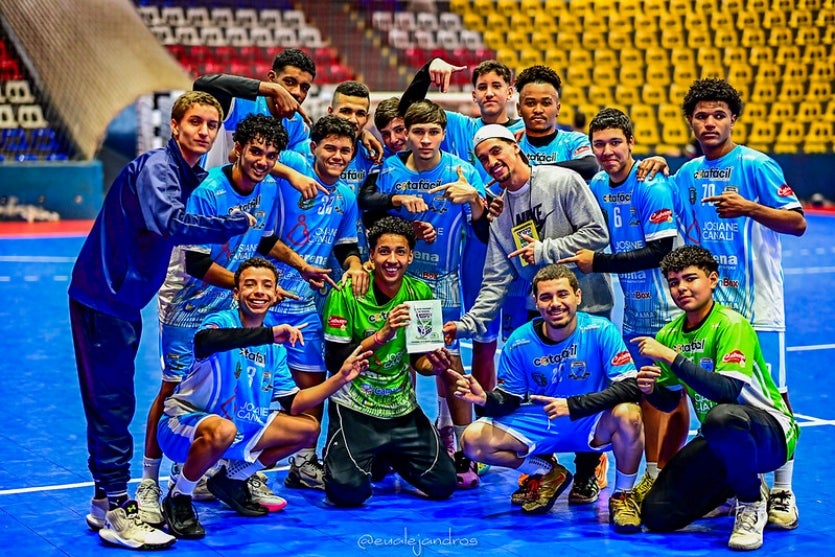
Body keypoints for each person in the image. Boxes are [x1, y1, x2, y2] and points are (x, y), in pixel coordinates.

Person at [69, 91, 254, 550]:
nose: (204, 131)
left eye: (212, 124)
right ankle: (116, 508)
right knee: (112, 405)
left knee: (113, 401)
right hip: (104, 298)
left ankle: (101, 501)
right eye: (195, 121)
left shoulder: (185, 172)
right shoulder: (157, 168)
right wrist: (229, 225)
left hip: (119, 299)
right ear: (175, 125)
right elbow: (169, 222)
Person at [137, 114, 326, 524]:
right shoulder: (208, 192)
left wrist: (300, 265)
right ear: (237, 148)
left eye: (270, 154)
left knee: (240, 385)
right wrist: (251, 287)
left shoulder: (271, 188)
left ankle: (227, 473)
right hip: (190, 303)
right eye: (254, 151)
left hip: (234, 301)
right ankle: (150, 481)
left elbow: (266, 240)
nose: (261, 160)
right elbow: (197, 263)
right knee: (173, 389)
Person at [158, 257, 371, 539]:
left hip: (239, 430)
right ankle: (179, 497)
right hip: (184, 425)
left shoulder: (275, 348)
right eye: (250, 284)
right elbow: (206, 342)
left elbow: (294, 402)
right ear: (236, 293)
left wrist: (340, 378)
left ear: (275, 294)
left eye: (266, 286)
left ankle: (233, 479)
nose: (259, 291)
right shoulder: (221, 321)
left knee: (307, 429)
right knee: (223, 429)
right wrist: (269, 334)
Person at [673, 78, 806, 527]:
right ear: (690, 122)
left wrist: (750, 208)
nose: (709, 123)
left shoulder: (757, 165)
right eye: (701, 116)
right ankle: (737, 486)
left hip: (758, 308)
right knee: (714, 402)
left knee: (774, 396)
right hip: (709, 313)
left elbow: (797, 222)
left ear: (733, 118)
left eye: (718, 115)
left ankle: (783, 491)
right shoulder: (686, 176)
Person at [449, 264, 644, 530]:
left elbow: (631, 386)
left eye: (562, 294)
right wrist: (486, 399)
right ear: (535, 302)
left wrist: (574, 405)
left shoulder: (601, 330)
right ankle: (547, 472)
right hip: (542, 421)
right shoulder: (520, 341)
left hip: (589, 421)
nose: (555, 303)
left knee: (629, 414)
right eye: (546, 297)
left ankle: (622, 495)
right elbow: (510, 397)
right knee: (472, 441)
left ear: (578, 296)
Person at [559, 107, 689, 506]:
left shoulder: (651, 184)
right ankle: (659, 468)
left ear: (631, 143)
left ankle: (658, 469)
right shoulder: (597, 182)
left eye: (616, 142)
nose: (608, 150)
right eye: (600, 144)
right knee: (652, 393)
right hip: (633, 311)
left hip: (670, 308)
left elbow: (660, 252)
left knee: (675, 392)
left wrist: (597, 263)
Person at [634, 245, 799, 551]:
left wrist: (672, 358)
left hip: (770, 433)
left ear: (712, 280)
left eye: (690, 279)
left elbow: (726, 392)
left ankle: (750, 504)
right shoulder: (670, 334)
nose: (681, 288)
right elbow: (670, 402)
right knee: (659, 515)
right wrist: (649, 390)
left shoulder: (731, 324)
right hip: (719, 435)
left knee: (722, 417)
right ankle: (736, 486)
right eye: (673, 282)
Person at [359, 99, 488, 488]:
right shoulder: (391, 171)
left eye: (433, 132)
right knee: (398, 365)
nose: (426, 139)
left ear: (444, 134)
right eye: (418, 132)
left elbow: (483, 230)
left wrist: (477, 202)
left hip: (441, 285)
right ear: (408, 133)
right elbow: (371, 217)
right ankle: (402, 442)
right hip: (395, 284)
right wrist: (407, 223)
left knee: (446, 366)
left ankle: (462, 448)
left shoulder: (462, 171)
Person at [321, 216, 457, 507]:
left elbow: (421, 361)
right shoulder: (346, 292)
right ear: (371, 255)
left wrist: (436, 365)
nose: (391, 260)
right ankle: (368, 452)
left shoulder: (420, 293)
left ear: (410, 256)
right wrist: (381, 335)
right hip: (356, 408)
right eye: (383, 251)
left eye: (400, 252)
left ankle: (386, 452)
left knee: (444, 483)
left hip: (400, 409)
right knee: (347, 493)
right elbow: (335, 361)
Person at [267, 114, 367, 491]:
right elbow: (264, 236)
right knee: (253, 384)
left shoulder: (344, 196)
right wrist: (290, 175)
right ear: (313, 148)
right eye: (330, 148)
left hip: (305, 305)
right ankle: (232, 465)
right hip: (263, 300)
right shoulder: (293, 165)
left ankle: (303, 462)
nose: (337, 155)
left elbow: (345, 244)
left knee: (313, 387)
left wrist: (355, 266)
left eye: (345, 150)